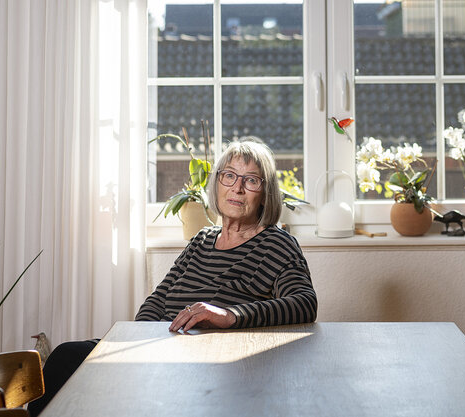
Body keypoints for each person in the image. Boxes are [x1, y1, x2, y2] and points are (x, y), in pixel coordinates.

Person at [28, 138, 317, 416]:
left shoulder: (276, 244)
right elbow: (158, 298)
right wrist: (137, 346)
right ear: (217, 183)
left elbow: (304, 303)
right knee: (66, 358)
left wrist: (229, 315)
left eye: (251, 180)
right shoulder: (202, 239)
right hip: (160, 350)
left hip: (211, 364)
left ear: (265, 194)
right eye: (229, 176)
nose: (238, 188)